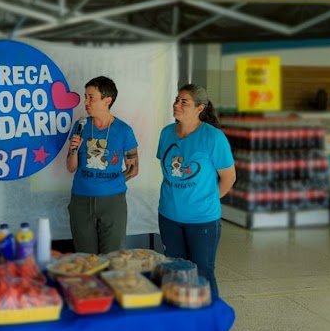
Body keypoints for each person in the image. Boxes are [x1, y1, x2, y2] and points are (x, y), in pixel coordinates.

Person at [156, 84, 235, 298]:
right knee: (176, 271)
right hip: (169, 216)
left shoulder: (213, 137)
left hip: (202, 221)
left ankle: (209, 325)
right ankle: (182, 320)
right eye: (176, 100)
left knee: (203, 273)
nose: (177, 104)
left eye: (184, 102)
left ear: (200, 108)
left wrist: (207, 200)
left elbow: (229, 178)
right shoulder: (166, 133)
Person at [66, 76, 139, 254]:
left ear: (107, 100)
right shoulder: (80, 125)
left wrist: (111, 183)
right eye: (85, 96)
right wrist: (74, 149)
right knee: (85, 257)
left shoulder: (124, 130)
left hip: (113, 202)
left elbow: (133, 168)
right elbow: (71, 167)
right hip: (81, 200)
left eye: (91, 97)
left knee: (113, 257)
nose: (86, 102)